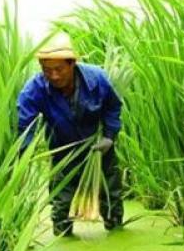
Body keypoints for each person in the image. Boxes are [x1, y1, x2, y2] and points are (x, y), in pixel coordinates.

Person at [17, 32, 124, 236]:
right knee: (61, 197)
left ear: (72, 63)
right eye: (47, 70)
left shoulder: (97, 79)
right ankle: (62, 232)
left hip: (98, 147)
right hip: (62, 149)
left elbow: (113, 107)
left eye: (59, 69)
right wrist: (25, 156)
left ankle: (115, 227)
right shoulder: (34, 90)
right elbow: (25, 126)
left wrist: (109, 136)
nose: (54, 76)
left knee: (110, 191)